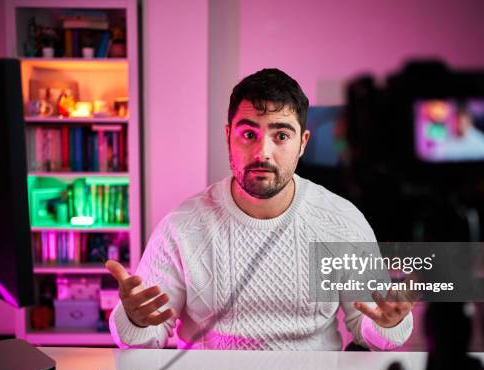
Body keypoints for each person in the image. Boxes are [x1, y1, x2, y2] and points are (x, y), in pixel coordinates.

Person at [107, 68, 414, 350]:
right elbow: (145, 341)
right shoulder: (182, 227)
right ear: (228, 136)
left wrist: (390, 322)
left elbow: (370, 329)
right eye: (249, 134)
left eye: (281, 136)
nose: (262, 152)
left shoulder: (342, 221)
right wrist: (136, 321)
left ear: (303, 143)